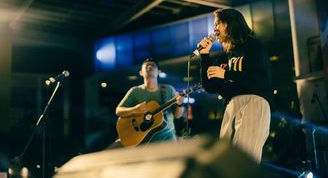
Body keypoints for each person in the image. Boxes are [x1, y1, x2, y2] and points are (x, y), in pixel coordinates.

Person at [197, 8, 273, 163]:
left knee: (243, 157)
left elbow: (259, 80)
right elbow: (210, 87)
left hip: (254, 101)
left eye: (218, 23)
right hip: (231, 105)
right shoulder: (223, 58)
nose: (214, 28)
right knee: (227, 160)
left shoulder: (252, 45)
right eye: (214, 24)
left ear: (230, 23)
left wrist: (225, 74)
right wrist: (205, 56)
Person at [115, 57, 184, 144]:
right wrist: (135, 110)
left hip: (168, 140)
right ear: (141, 72)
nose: (150, 67)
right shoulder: (135, 91)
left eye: (153, 65)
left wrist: (180, 104)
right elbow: (118, 111)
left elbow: (178, 116)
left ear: (159, 72)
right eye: (146, 66)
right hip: (144, 143)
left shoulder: (168, 89)